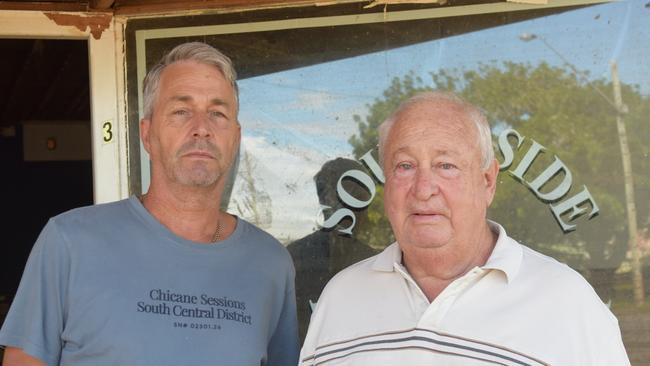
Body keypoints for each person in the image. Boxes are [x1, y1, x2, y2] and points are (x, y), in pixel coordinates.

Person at [0, 42, 298, 366]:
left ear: (235, 138)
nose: (202, 128)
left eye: (218, 113)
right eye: (181, 111)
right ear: (147, 133)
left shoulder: (270, 265)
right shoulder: (69, 243)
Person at [299, 91, 630, 365]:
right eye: (405, 166)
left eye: (446, 165)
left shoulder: (568, 303)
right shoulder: (340, 297)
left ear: (487, 181)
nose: (423, 187)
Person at [287, 158, 377, 340]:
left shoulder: (380, 265)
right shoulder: (292, 260)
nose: (348, 209)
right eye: (337, 198)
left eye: (358, 199)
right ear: (323, 201)